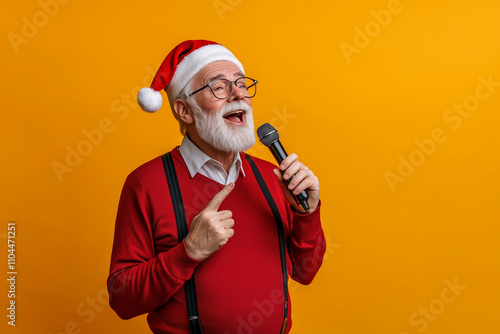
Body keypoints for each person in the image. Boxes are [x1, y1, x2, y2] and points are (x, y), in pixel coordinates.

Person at [107, 39, 326, 334]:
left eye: (241, 84)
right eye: (219, 87)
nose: (238, 95)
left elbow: (305, 273)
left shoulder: (272, 177)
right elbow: (122, 300)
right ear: (184, 110)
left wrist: (306, 214)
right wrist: (188, 252)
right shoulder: (146, 184)